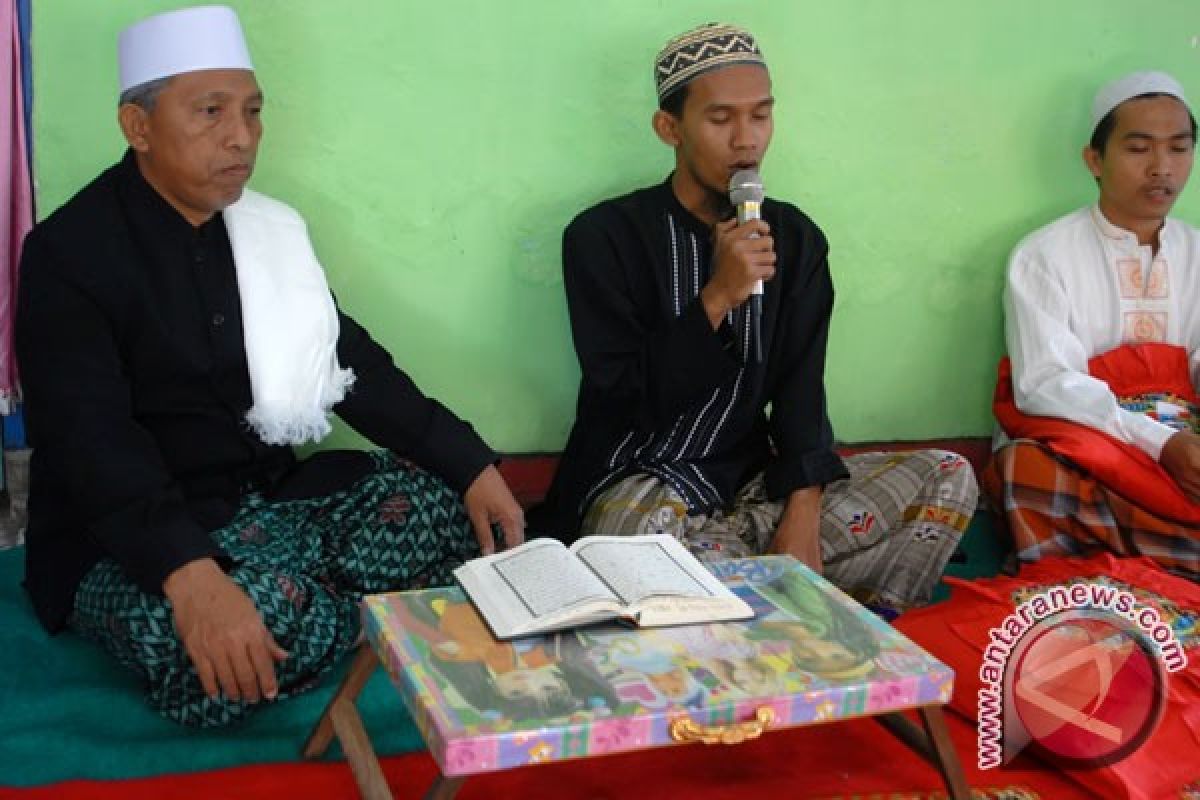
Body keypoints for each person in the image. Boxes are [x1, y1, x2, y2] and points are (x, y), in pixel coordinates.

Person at [15, 5, 524, 727]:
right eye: (211, 112)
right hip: (127, 538)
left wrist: (471, 464)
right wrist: (191, 577)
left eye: (253, 112)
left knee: (446, 510)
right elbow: (93, 441)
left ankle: (313, 608)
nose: (242, 137)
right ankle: (345, 615)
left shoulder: (267, 234)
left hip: (270, 506)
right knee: (204, 643)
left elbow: (356, 366)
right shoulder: (70, 254)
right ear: (138, 127)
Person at [529, 23, 978, 612]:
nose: (747, 141)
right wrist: (717, 297)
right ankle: (773, 603)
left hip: (749, 489)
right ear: (670, 128)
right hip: (641, 489)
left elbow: (800, 388)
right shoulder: (604, 236)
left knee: (946, 475)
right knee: (632, 542)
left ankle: (796, 615)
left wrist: (802, 510)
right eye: (721, 120)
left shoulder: (795, 239)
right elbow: (622, 398)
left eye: (761, 117)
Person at [985, 71, 1200, 579]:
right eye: (1139, 148)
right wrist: (1157, 443)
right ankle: (1104, 593)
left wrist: (1184, 445)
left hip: (1187, 452)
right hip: (1100, 449)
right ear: (1095, 160)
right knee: (1024, 472)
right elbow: (1044, 385)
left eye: (1178, 148)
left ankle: (1140, 579)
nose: (1161, 168)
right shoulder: (1044, 255)